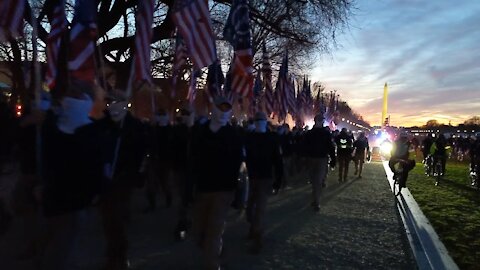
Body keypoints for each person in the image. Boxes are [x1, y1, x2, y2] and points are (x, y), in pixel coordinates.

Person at [39, 81, 107, 270]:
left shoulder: (87, 132)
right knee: (59, 245)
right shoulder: (57, 129)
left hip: (68, 201)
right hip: (61, 199)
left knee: (61, 246)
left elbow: (94, 169)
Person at [190, 96, 244, 270]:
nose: (223, 113)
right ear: (213, 109)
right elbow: (191, 161)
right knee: (199, 232)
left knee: (214, 230)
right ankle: (217, 252)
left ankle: (212, 264)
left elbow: (238, 165)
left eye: (226, 109)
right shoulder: (199, 132)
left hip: (223, 191)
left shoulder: (233, 135)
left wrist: (236, 192)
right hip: (202, 188)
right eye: (220, 108)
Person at [97, 91, 147, 270]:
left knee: (116, 217)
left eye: (116, 101)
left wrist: (137, 174)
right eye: (109, 101)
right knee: (107, 219)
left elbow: (141, 152)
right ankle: (113, 252)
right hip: (104, 179)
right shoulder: (102, 125)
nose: (112, 105)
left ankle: (118, 255)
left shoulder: (135, 126)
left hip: (124, 178)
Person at [244, 111, 283, 253]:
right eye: (257, 121)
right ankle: (253, 228)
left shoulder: (272, 138)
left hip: (265, 179)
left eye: (261, 121)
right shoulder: (249, 137)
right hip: (251, 177)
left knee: (259, 209)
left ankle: (257, 239)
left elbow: (278, 161)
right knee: (249, 208)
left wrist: (278, 180)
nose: (259, 123)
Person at [300, 114, 336, 212]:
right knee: (317, 181)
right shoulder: (326, 133)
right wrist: (333, 159)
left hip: (313, 158)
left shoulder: (309, 133)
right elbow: (331, 147)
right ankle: (316, 199)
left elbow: (304, 147)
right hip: (320, 158)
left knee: (316, 180)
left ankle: (316, 200)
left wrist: (303, 158)